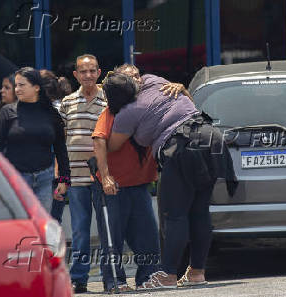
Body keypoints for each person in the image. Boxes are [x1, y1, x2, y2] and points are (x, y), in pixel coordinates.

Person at [103, 72, 237, 290]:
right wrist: (181, 87)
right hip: (211, 137)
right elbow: (184, 97)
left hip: (181, 146)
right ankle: (196, 272)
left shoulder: (127, 112)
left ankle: (168, 275)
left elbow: (113, 145)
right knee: (199, 211)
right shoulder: (155, 81)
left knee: (175, 215)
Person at [92, 64, 189, 293]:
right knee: (112, 240)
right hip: (113, 187)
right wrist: (105, 177)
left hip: (139, 185)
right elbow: (98, 140)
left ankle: (147, 279)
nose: (136, 79)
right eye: (129, 76)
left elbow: (186, 110)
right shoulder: (114, 109)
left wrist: (182, 89)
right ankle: (115, 282)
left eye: (137, 74)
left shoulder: (152, 101)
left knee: (148, 239)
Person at [58, 54, 106, 294]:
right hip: (75, 179)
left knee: (108, 229)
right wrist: (61, 177)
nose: (88, 75)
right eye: (83, 71)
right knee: (79, 230)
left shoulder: (108, 101)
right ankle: (79, 278)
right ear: (75, 75)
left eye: (92, 71)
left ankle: (111, 277)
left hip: (101, 177)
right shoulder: (67, 102)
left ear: (99, 73)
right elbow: (60, 141)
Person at [0, 67, 70, 211]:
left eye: (21, 85)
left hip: (45, 180)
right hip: (16, 180)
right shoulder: (7, 112)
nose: (17, 89)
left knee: (42, 226)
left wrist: (64, 179)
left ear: (36, 87)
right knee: (20, 227)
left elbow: (60, 148)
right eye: (16, 85)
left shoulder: (51, 114)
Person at [40, 69, 73, 224]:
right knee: (53, 218)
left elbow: (61, 145)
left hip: (53, 170)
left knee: (50, 218)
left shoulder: (55, 112)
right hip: (55, 172)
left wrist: (60, 174)